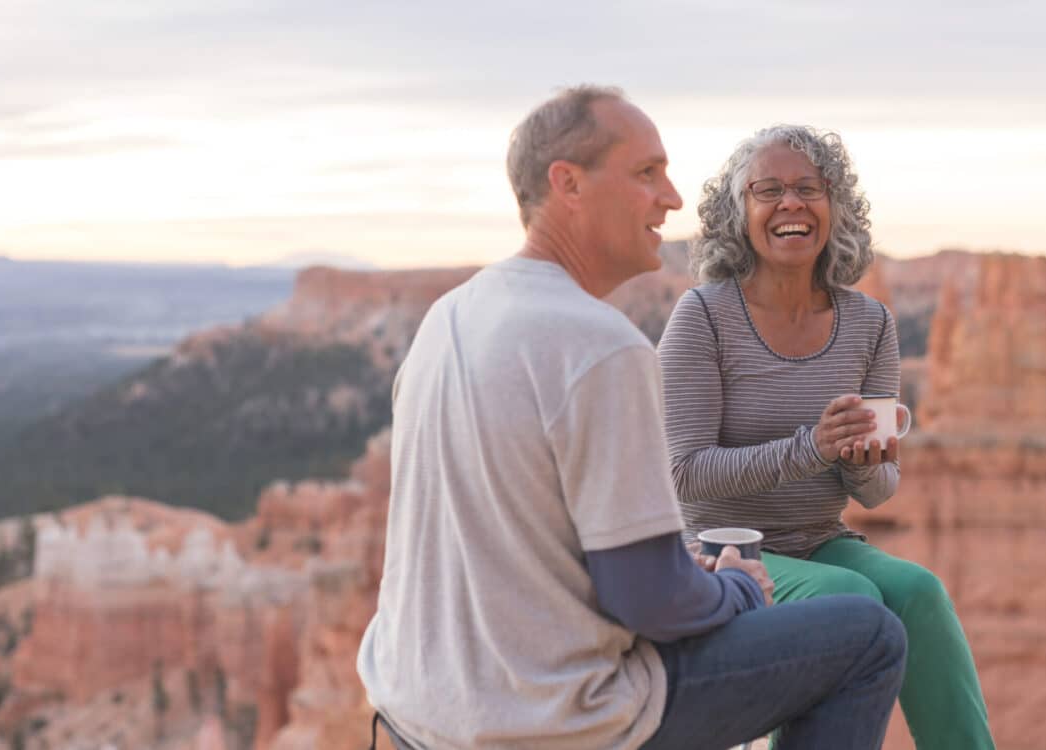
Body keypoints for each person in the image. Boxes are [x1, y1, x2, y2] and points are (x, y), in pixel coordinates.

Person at [357, 88, 906, 750]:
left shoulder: (449, 316)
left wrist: (684, 573)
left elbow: (538, 537)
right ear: (569, 184)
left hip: (417, 708)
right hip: (555, 717)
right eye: (646, 173)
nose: (671, 198)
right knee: (868, 637)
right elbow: (648, 603)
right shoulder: (599, 343)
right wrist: (735, 588)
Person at [657, 123, 994, 749]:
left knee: (919, 591)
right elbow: (687, 472)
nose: (791, 203)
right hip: (717, 550)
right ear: (740, 212)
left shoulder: (870, 322)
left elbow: (877, 493)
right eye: (769, 190)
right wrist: (810, 447)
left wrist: (864, 459)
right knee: (851, 597)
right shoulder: (702, 316)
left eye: (809, 188)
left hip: (819, 540)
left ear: (835, 208)